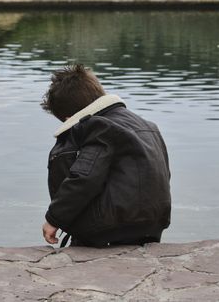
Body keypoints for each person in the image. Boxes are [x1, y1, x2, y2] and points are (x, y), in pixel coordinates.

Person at [41, 64, 171, 247]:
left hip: (110, 227)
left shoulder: (98, 127)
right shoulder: (148, 126)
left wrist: (54, 218)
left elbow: (85, 177)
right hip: (152, 223)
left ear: (68, 118)